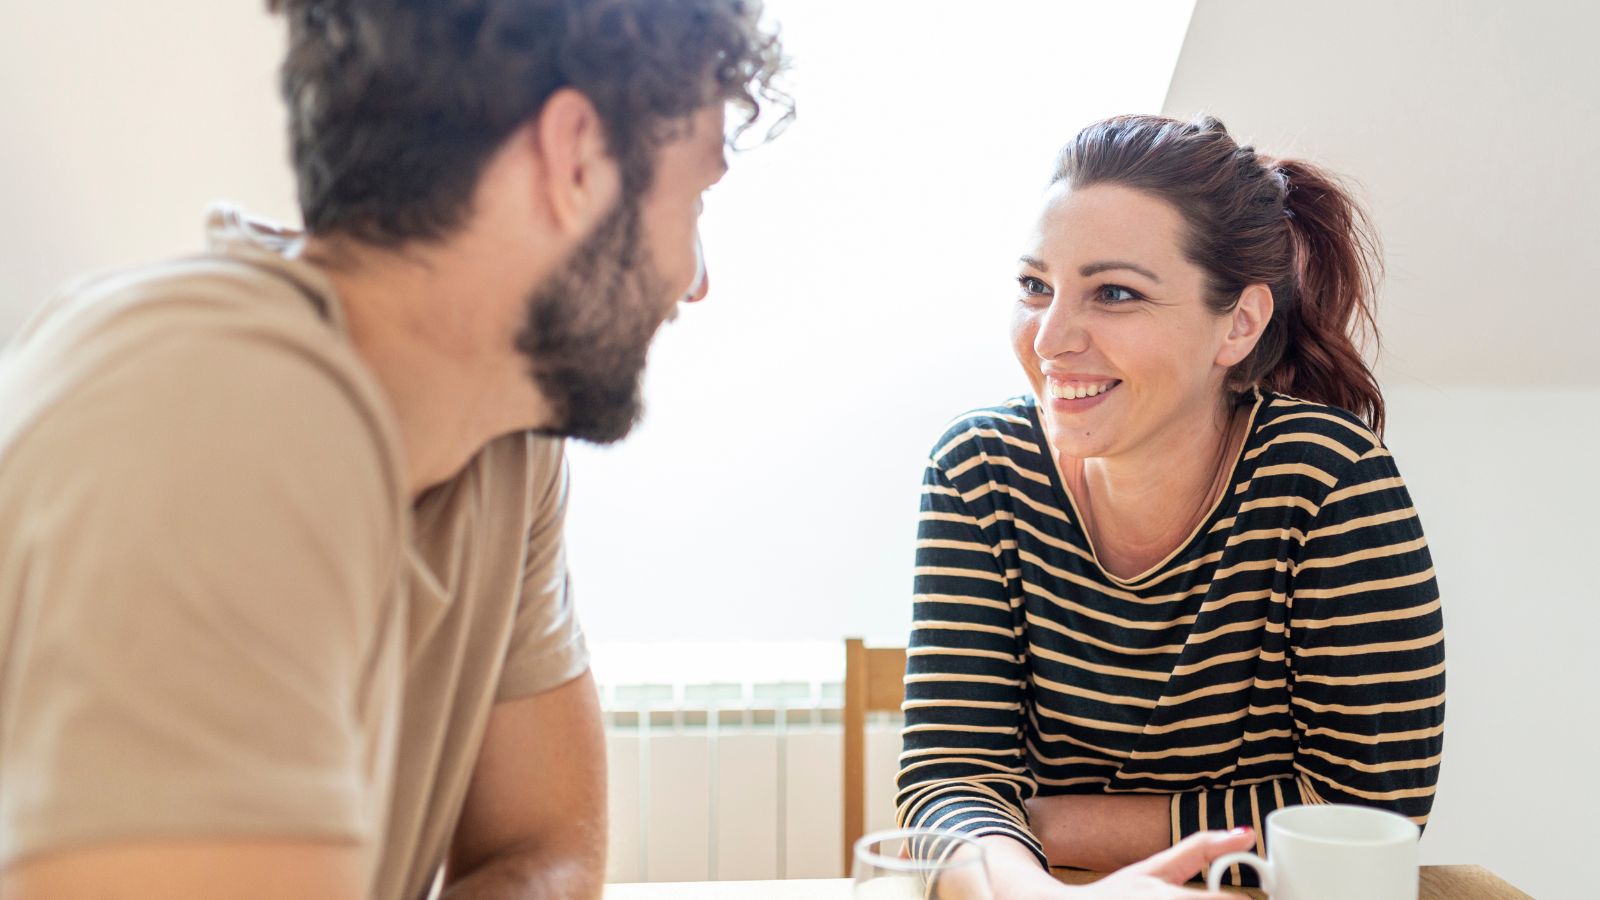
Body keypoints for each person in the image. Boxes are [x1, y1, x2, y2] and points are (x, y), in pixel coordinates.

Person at [0, 1, 783, 898]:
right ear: (574, 158)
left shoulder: (500, 431)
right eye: (696, 197)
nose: (697, 280)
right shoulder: (207, 418)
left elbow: (549, 850)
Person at [896, 114, 1445, 896]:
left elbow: (1365, 811)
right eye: (1035, 287)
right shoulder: (981, 469)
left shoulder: (1329, 484)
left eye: (1114, 293)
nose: (1051, 339)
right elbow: (948, 785)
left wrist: (1050, 820)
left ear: (1240, 325)